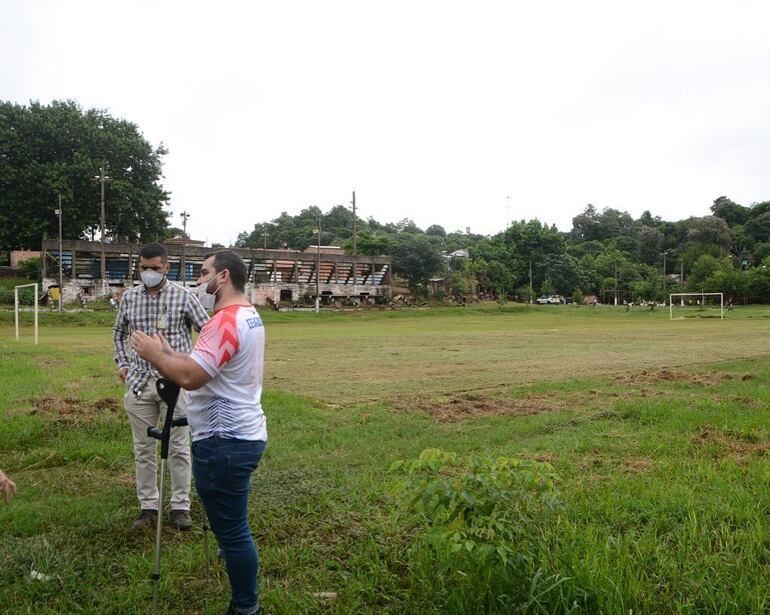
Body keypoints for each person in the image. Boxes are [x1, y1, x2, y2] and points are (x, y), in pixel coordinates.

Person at [131, 250, 267, 615]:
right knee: (233, 524)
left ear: (222, 277)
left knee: (234, 534)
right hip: (244, 433)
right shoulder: (248, 316)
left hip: (225, 441)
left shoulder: (223, 322)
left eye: (203, 272)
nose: (198, 280)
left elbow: (191, 377)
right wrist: (170, 351)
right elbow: (201, 364)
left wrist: (152, 355)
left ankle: (244, 607)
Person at [113, 242, 209, 531]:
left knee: (179, 446)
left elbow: (208, 332)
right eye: (144, 268)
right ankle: (148, 506)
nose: (149, 273)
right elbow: (118, 333)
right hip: (139, 383)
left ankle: (180, 506)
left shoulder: (184, 297)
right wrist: (122, 364)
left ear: (167, 267)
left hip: (176, 382)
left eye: (155, 268)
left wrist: (192, 365)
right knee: (143, 447)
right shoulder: (129, 299)